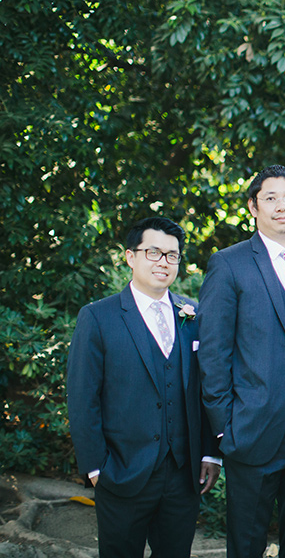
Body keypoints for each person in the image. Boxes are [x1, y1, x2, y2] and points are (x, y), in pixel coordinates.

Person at [198, 165, 285, 558]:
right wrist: (225, 427)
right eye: (271, 198)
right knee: (246, 543)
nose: (282, 206)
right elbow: (213, 351)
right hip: (251, 429)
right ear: (253, 207)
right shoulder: (229, 264)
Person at [67, 216, 220, 558]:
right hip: (121, 472)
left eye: (172, 255)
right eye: (153, 252)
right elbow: (82, 397)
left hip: (183, 475)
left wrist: (210, 452)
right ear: (130, 257)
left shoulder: (193, 314)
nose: (163, 262)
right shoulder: (98, 317)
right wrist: (96, 468)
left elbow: (207, 388)